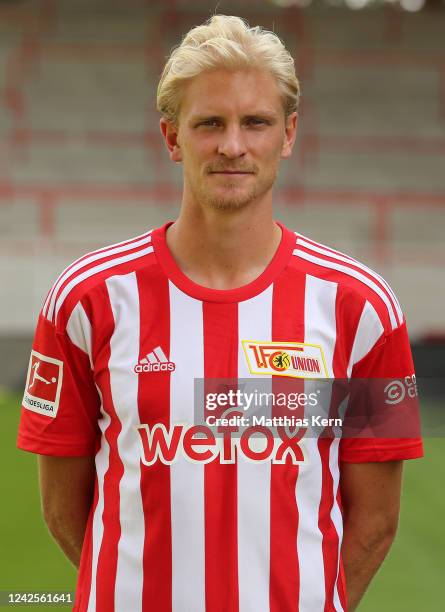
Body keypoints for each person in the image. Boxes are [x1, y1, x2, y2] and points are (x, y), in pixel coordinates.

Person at [17, 14, 423, 612]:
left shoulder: (363, 308)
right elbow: (61, 509)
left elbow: (377, 521)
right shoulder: (85, 299)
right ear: (172, 138)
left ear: (287, 135)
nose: (232, 145)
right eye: (209, 123)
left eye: (255, 122)